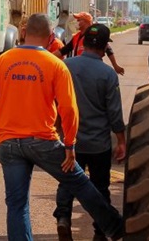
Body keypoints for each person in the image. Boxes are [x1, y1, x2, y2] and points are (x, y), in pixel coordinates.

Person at [0, 13, 124, 241]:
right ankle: (115, 227)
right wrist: (70, 144)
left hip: (8, 143)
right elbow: (69, 109)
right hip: (42, 141)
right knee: (78, 181)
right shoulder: (55, 65)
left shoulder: (3, 61)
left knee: (16, 203)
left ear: (24, 33)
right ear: (49, 38)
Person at [53, 23, 126, 241]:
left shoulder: (65, 67)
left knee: (67, 181)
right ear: (104, 48)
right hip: (98, 144)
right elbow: (114, 113)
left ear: (82, 43)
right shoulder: (108, 74)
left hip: (69, 142)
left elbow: (54, 103)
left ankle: (63, 218)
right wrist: (121, 141)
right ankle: (100, 232)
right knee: (100, 187)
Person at [58, 12, 125, 76]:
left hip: (90, 68)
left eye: (79, 20)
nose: (76, 22)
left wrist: (115, 65)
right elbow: (64, 50)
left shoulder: (94, 36)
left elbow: (109, 50)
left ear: (86, 21)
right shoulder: (77, 36)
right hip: (78, 68)